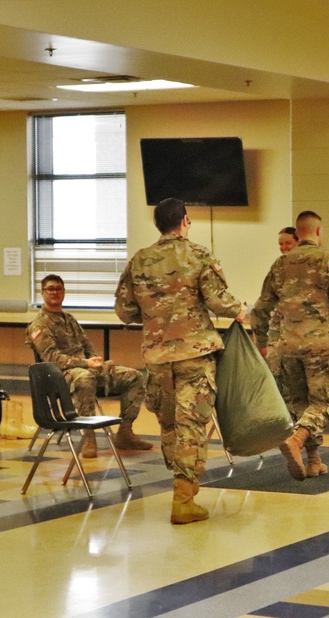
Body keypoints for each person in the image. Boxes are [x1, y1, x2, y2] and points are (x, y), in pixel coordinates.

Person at [114, 198, 246, 525]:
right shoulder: (199, 255)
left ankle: (180, 487)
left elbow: (125, 311)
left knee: (169, 423)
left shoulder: (140, 260)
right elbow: (218, 301)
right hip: (194, 355)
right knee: (191, 425)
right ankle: (183, 498)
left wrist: (154, 311)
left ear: (159, 224)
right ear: (185, 221)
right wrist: (240, 311)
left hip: (157, 358)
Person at [251, 211, 329, 481]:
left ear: (297, 234)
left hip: (288, 346)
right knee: (326, 401)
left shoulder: (280, 264)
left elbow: (261, 308)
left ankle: (314, 460)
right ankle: (297, 440)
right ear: (319, 232)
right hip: (320, 346)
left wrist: (263, 343)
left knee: (302, 404)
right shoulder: (328, 260)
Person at [26, 274, 152, 457]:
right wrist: (85, 363)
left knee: (134, 376)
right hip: (60, 377)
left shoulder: (69, 320)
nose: (55, 293)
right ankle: (88, 437)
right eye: (50, 289)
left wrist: (94, 362)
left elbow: (87, 347)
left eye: (59, 289)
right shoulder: (39, 325)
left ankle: (125, 432)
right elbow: (52, 359)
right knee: (85, 378)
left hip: (85, 370)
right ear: (42, 292)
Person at [265, 227, 299, 376]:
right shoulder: (278, 266)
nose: (284, 248)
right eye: (281, 244)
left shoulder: (310, 266)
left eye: (288, 243)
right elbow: (265, 300)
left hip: (300, 334)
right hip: (279, 332)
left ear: (299, 242)